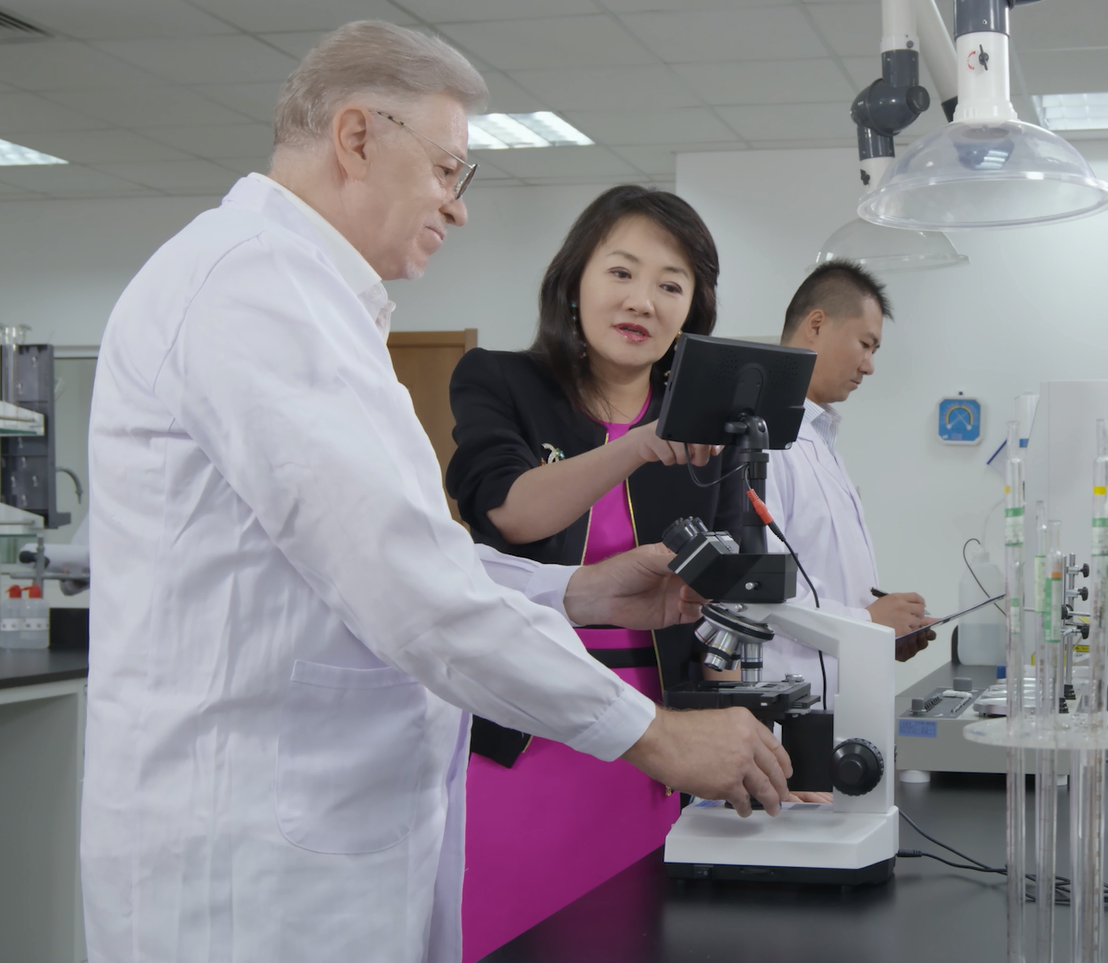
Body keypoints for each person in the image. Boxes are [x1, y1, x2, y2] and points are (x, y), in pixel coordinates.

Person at [81, 22, 790, 963]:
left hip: (328, 835)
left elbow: (406, 553)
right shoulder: (250, 287)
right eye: (448, 170)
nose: (457, 208)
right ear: (356, 137)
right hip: (248, 869)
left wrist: (574, 589)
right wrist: (654, 734)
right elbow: (409, 587)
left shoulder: (312, 300)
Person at [443, 185, 744, 953]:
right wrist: (636, 445)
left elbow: (732, 584)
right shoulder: (500, 381)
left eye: (671, 284)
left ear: (692, 311)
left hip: (656, 744)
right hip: (524, 736)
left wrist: (743, 732)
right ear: (574, 280)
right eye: (621, 272)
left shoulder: (708, 430)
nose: (642, 299)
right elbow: (508, 510)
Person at [760, 260, 936, 704]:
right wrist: (869, 622)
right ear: (816, 325)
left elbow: (823, 578)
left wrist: (883, 630)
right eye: (865, 344)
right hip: (789, 705)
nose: (869, 366)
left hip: (843, 698)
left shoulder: (820, 438)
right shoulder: (761, 440)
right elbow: (761, 592)